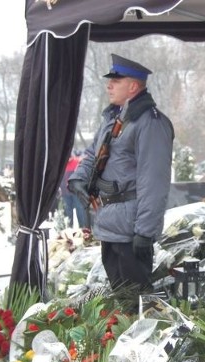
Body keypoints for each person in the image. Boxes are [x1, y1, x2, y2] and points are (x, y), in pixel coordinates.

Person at [68, 54, 174, 311]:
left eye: (116, 80)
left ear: (134, 86)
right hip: (110, 222)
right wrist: (80, 178)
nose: (109, 85)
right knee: (126, 303)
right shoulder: (114, 118)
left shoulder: (149, 123)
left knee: (140, 307)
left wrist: (145, 232)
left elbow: (154, 181)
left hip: (131, 228)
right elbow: (94, 153)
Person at [60, 150, 88, 228]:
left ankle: (83, 229)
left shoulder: (76, 162)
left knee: (80, 211)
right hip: (65, 192)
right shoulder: (62, 164)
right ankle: (69, 229)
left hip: (76, 192)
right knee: (68, 213)